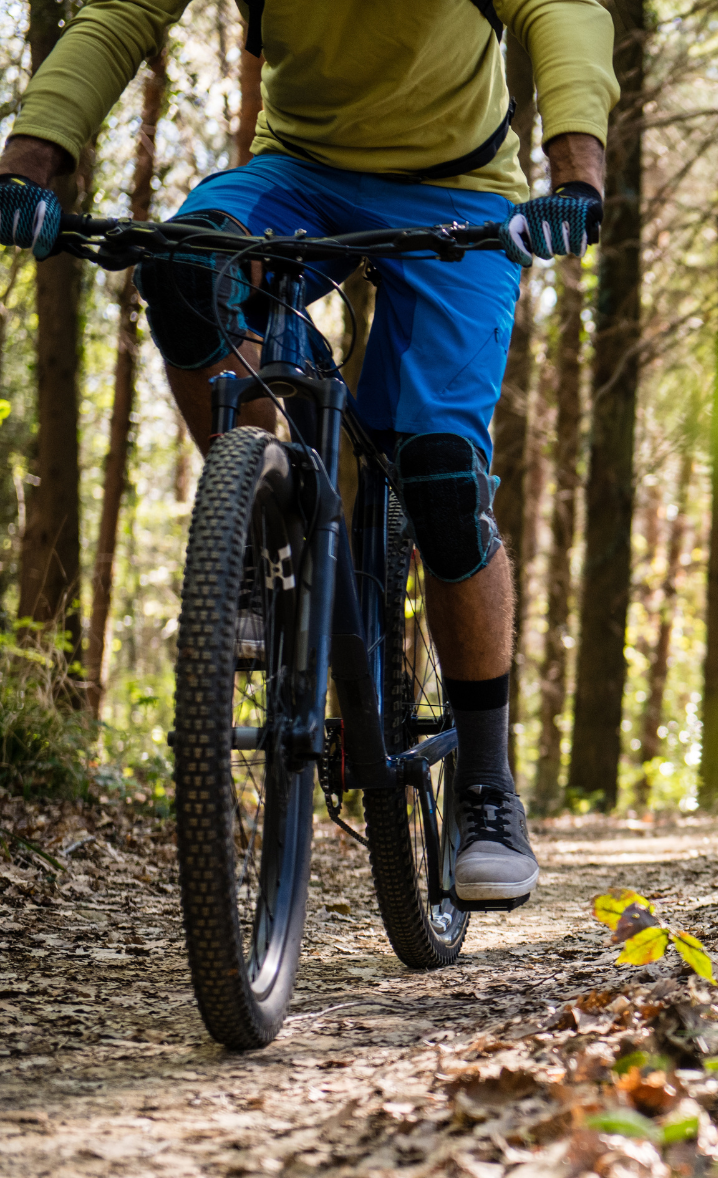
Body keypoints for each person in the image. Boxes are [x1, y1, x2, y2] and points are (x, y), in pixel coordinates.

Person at [0, 0, 620, 908]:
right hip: (294, 173)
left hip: (462, 187)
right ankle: (266, 523)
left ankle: (487, 787)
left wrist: (576, 173)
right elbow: (121, 14)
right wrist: (28, 165)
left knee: (443, 478)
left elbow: (563, 11)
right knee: (186, 272)